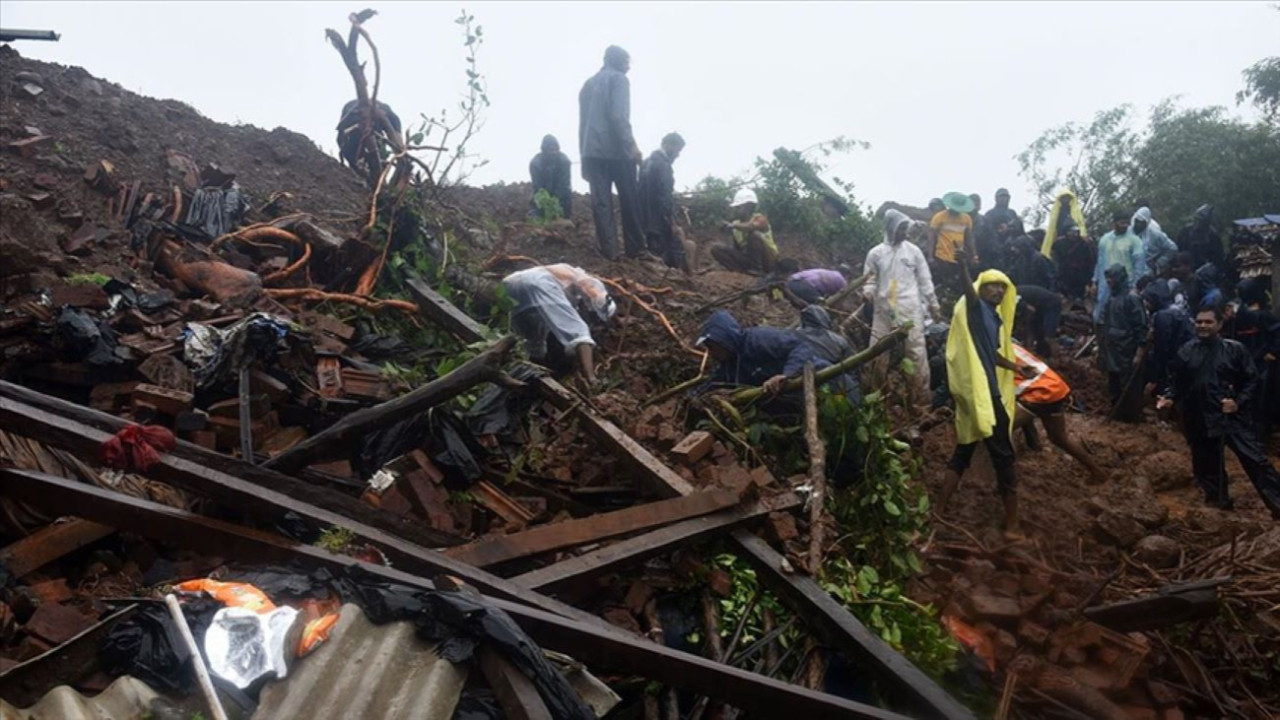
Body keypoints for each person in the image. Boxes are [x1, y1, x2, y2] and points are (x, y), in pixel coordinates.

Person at [938, 253, 1033, 537]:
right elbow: (968, 292)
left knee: (964, 450)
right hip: (986, 397)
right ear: (982, 289)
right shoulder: (977, 308)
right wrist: (964, 267)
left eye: (1002, 286)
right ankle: (1013, 525)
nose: (999, 290)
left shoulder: (993, 319)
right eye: (992, 285)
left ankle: (938, 512)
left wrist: (1016, 366)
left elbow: (991, 355)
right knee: (1004, 457)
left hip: (982, 395)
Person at [1157, 307, 1280, 518]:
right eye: (1199, 322)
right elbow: (1176, 382)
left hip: (1230, 417)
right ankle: (1218, 505)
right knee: (1207, 465)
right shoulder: (1186, 351)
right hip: (1199, 417)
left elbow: (1252, 380)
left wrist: (1237, 402)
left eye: (1208, 322)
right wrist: (1168, 398)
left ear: (1219, 325)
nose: (1202, 326)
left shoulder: (1235, 350)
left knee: (1256, 460)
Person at [862, 209, 940, 404]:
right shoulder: (876, 253)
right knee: (877, 353)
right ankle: (876, 398)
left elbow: (925, 279)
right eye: (901, 228)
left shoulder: (913, 252)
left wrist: (933, 303)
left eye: (906, 228)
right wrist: (868, 293)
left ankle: (920, 401)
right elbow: (869, 279)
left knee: (916, 354)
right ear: (891, 228)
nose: (905, 232)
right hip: (883, 310)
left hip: (910, 310)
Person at [579, 45, 644, 260]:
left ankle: (611, 255)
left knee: (602, 204)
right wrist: (632, 147)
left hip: (592, 153)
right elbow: (619, 117)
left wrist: (584, 157)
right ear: (617, 61)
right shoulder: (619, 80)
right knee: (630, 199)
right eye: (627, 62)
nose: (628, 67)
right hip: (617, 150)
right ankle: (636, 251)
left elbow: (582, 125)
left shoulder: (587, 85)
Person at [695, 309, 847, 402]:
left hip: (828, 382)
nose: (712, 354)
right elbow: (715, 383)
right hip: (799, 400)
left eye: (714, 348)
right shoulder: (730, 364)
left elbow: (801, 347)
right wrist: (692, 397)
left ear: (725, 341)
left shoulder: (759, 338)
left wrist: (786, 374)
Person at [502, 264, 616, 385]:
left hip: (509, 284)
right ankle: (592, 380)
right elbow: (576, 325)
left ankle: (533, 377)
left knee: (534, 337)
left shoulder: (571, 276)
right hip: (539, 281)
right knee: (579, 330)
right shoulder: (587, 284)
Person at [1011, 343, 1108, 484]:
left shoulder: (989, 349)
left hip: (1039, 393)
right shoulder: (1009, 344)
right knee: (1059, 438)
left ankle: (1004, 478)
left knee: (998, 431)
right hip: (1054, 389)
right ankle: (1097, 471)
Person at [1228, 278, 1280, 436]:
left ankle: (1264, 429)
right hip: (1246, 360)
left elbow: (1277, 334)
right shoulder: (1241, 313)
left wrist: (1273, 353)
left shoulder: (1264, 315)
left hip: (1262, 363)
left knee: (1263, 396)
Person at [1098, 264, 1148, 411]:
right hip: (1112, 348)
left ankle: (1130, 414)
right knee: (1113, 381)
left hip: (1127, 348)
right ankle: (1116, 410)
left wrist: (1139, 351)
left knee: (1128, 383)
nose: (1108, 281)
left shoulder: (1132, 298)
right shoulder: (1112, 298)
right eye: (1107, 278)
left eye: (1111, 277)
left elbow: (1141, 326)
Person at [638, 132, 687, 270]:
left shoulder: (646, 163)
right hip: (658, 223)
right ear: (667, 144)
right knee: (666, 256)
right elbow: (664, 197)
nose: (677, 155)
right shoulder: (664, 166)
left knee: (652, 254)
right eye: (677, 150)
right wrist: (671, 222)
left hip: (644, 221)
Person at [1142, 279, 1195, 400]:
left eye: (1147, 300)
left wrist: (1154, 378)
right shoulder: (1178, 310)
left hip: (1177, 360)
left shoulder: (1163, 316)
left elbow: (1161, 350)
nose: (1146, 304)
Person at [1091, 210, 1147, 323]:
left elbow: (1139, 265)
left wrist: (1135, 285)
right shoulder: (1104, 239)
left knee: (1122, 317)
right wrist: (1094, 281)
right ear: (1115, 223)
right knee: (1100, 316)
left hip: (1125, 285)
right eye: (1122, 223)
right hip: (1105, 284)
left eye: (1127, 223)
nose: (1125, 226)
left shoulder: (1135, 241)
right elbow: (1100, 262)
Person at [711, 189, 778, 274]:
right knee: (716, 249)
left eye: (738, 207)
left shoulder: (760, 218)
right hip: (748, 260)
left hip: (768, 261)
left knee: (754, 236)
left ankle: (758, 270)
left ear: (749, 207)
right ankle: (740, 272)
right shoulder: (736, 225)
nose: (735, 210)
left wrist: (732, 226)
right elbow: (737, 249)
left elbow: (751, 226)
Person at [336, 99, 403, 177]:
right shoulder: (388, 115)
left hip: (350, 138)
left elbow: (399, 148)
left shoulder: (391, 117)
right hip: (355, 133)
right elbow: (399, 147)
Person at [928, 192, 976, 286]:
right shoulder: (939, 217)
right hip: (942, 257)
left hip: (959, 257)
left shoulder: (966, 219)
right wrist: (930, 257)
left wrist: (974, 255)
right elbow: (931, 237)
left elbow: (969, 238)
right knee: (944, 284)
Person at [528, 134, 573, 219]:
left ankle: (565, 217)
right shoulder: (535, 164)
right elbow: (537, 186)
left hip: (560, 195)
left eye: (556, 150)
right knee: (536, 204)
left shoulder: (565, 162)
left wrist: (555, 200)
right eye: (551, 150)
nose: (554, 153)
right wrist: (546, 200)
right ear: (544, 150)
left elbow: (564, 184)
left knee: (567, 195)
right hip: (543, 193)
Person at [1015, 284, 1063, 358]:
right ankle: (1042, 355)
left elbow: (1030, 310)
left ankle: (1056, 359)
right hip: (1040, 307)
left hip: (1051, 305)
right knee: (1038, 334)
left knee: (1048, 336)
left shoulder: (1013, 296)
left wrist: (1027, 324)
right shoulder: (1015, 293)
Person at [982, 188, 1024, 272]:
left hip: (1011, 250)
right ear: (996, 198)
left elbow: (1020, 231)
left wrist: (1009, 229)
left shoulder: (1012, 213)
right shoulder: (990, 214)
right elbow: (986, 232)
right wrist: (999, 231)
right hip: (994, 251)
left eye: (1007, 196)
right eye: (1002, 196)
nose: (1005, 199)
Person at [1051, 223, 1095, 301]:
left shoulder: (1084, 244)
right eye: (1071, 232)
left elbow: (1090, 262)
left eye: (1075, 231)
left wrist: (1089, 281)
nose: (1074, 234)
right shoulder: (1059, 244)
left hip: (1081, 278)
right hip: (1065, 277)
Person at [1176, 204, 1225, 271]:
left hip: (1205, 270)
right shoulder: (1186, 231)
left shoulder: (1213, 236)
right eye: (1197, 220)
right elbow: (1178, 248)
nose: (1198, 224)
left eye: (1201, 221)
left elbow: (1218, 258)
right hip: (1186, 267)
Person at [1132, 207, 1178, 278]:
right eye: (1137, 221)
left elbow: (1172, 248)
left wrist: (1159, 262)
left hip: (1148, 272)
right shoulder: (1128, 233)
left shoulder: (1155, 234)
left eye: (1141, 222)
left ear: (1146, 223)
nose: (1138, 224)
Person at [1041, 189, 1087, 258]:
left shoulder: (1075, 210)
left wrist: (1083, 234)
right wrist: (1057, 236)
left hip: (1075, 234)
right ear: (1061, 199)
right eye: (1064, 198)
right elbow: (1053, 226)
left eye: (1067, 197)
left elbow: (1080, 223)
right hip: (1061, 236)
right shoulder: (1056, 211)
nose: (1065, 199)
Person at [783, 264, 848, 305]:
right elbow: (838, 300)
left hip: (792, 283)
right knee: (819, 304)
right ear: (846, 274)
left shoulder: (821, 270)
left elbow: (797, 275)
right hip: (808, 290)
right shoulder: (843, 282)